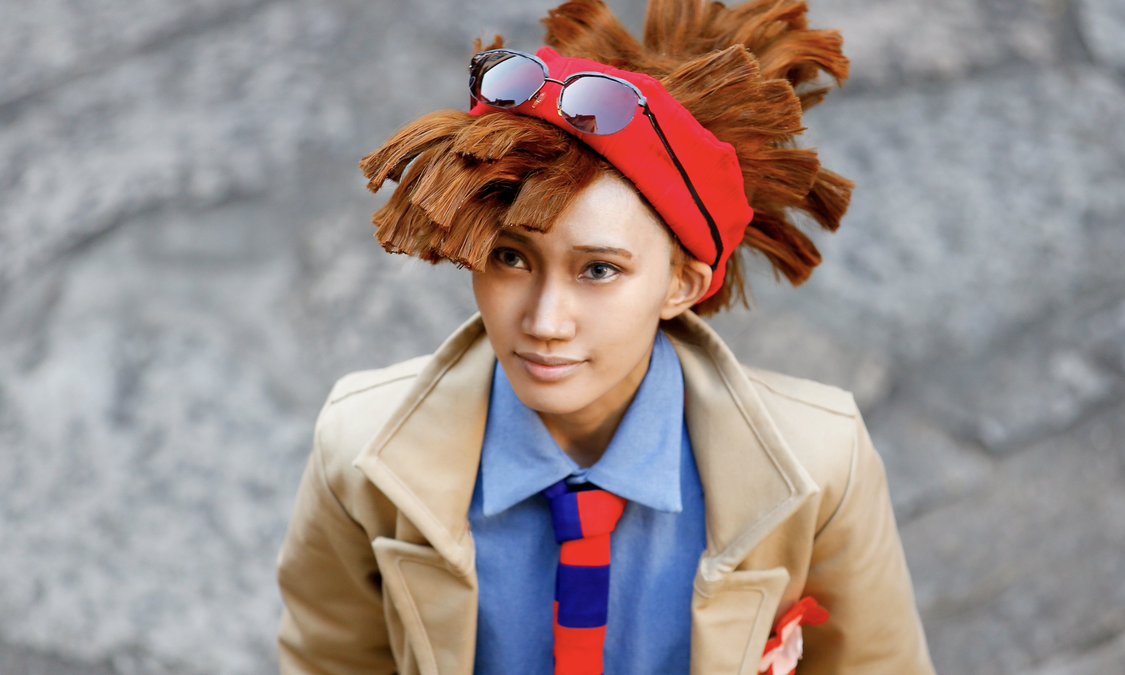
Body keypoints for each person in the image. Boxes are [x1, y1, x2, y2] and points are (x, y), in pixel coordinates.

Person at [276, 0, 934, 673]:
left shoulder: (820, 459)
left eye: (598, 270)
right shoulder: (359, 447)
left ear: (681, 284)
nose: (544, 322)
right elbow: (329, 661)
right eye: (510, 258)